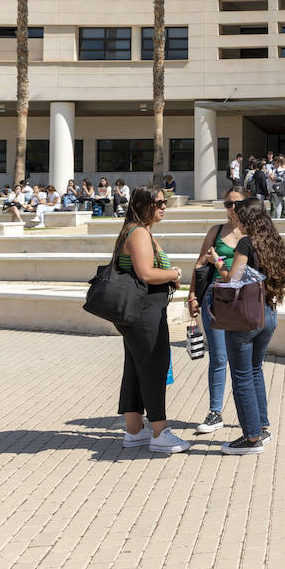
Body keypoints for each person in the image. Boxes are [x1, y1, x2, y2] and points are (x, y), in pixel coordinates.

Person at [212, 196, 285, 455]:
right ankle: (262, 426)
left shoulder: (246, 243)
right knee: (255, 370)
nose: (236, 220)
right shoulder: (274, 241)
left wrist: (218, 263)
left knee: (242, 374)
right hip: (269, 313)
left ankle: (252, 437)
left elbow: (233, 279)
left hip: (246, 317)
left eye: (239, 217)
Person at [112, 185, 188, 454]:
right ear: (143, 205)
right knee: (154, 368)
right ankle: (160, 432)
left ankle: (134, 430)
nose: (164, 206)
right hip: (144, 313)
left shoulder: (135, 231)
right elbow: (146, 273)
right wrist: (174, 274)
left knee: (135, 368)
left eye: (164, 202)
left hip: (139, 312)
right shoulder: (139, 233)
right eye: (158, 203)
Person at [188, 186, 246, 436]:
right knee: (219, 358)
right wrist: (192, 294)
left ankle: (251, 415)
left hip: (244, 299)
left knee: (245, 361)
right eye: (227, 204)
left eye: (235, 204)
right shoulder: (216, 231)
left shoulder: (253, 233)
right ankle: (215, 412)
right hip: (215, 297)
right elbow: (201, 263)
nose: (231, 209)